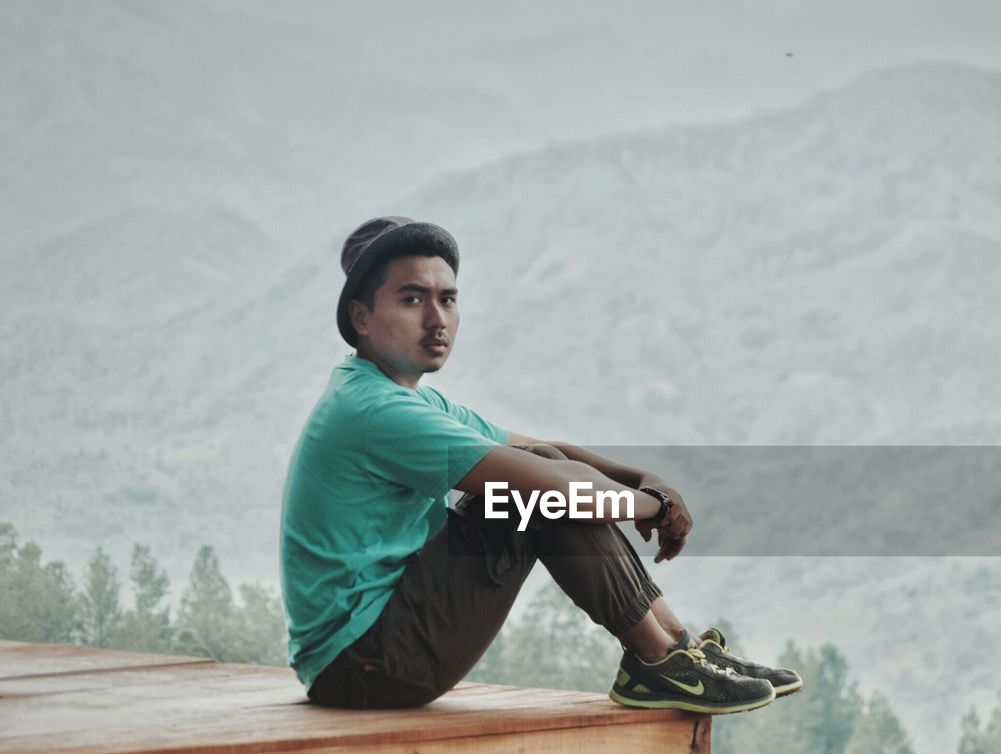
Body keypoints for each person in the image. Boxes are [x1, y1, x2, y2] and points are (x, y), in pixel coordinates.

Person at [279, 216, 802, 713]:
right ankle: (660, 659)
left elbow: (547, 449)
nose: (437, 319)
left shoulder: (396, 397)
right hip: (364, 665)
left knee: (539, 473)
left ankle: (677, 647)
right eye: (412, 299)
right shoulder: (377, 411)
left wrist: (647, 482)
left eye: (448, 299)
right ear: (361, 317)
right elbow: (554, 484)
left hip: (368, 652)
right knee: (536, 494)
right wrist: (653, 505)